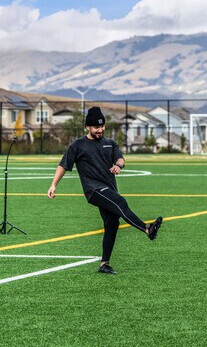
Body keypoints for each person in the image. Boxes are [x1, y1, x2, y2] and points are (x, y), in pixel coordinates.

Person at [48, 106, 162, 275]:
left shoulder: (110, 143)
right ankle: (147, 228)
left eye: (102, 126)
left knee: (112, 223)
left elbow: (121, 158)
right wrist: (53, 184)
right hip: (93, 190)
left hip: (109, 189)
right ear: (87, 127)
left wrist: (118, 165)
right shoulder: (78, 145)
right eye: (96, 127)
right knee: (121, 202)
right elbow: (63, 165)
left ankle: (104, 264)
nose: (100, 130)